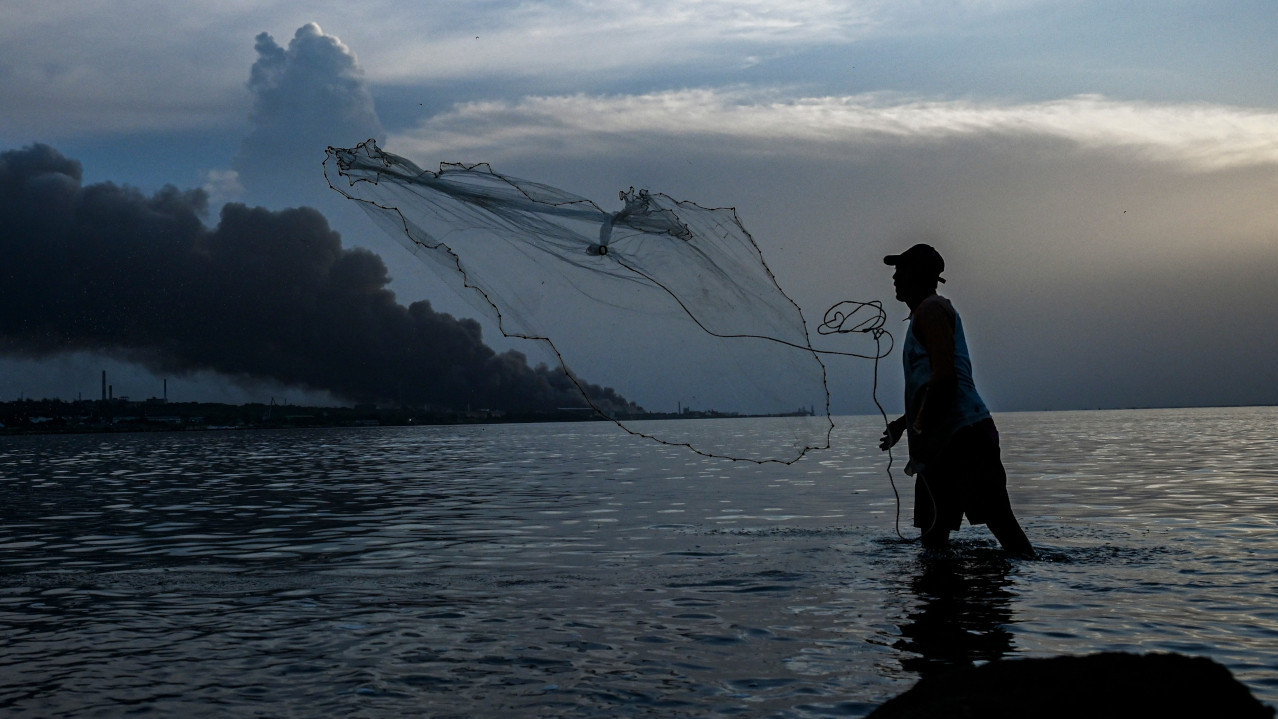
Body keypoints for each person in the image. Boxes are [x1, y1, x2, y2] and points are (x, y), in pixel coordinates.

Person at [878, 244, 1035, 558]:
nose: (895, 277)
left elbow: (946, 378)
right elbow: (929, 384)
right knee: (934, 541)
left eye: (902, 269)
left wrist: (919, 425)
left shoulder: (932, 310)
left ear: (920, 274)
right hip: (940, 441)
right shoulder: (923, 315)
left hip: (964, 437)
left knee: (1002, 526)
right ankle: (939, 603)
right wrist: (903, 426)